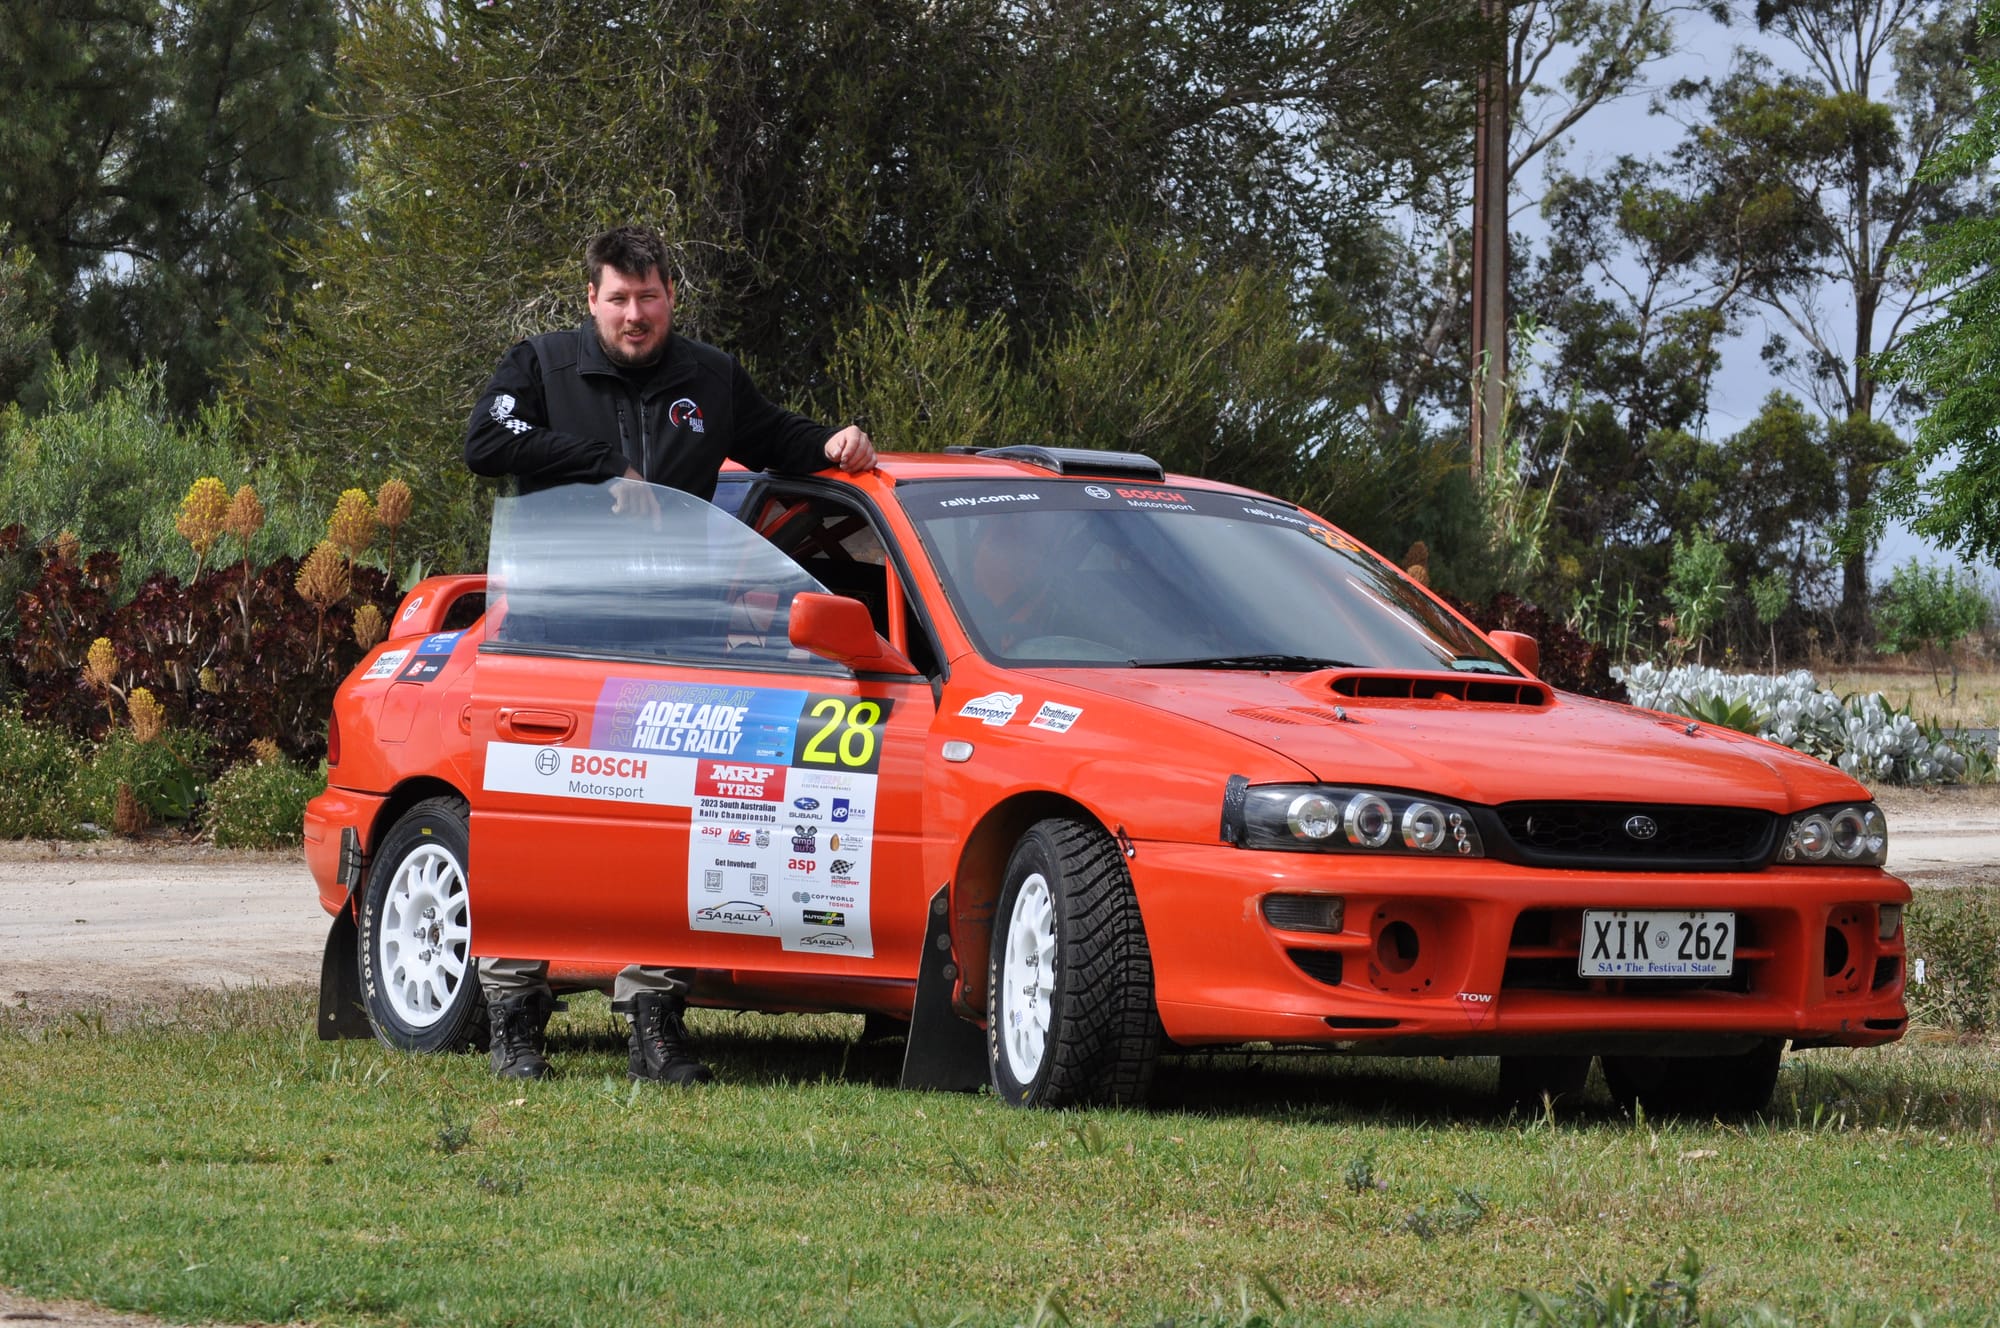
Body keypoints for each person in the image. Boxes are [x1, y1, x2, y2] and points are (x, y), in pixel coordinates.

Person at [464, 224, 875, 1084]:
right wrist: (602, 466)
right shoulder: (539, 366)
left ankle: (653, 1018)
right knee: (536, 827)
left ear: (670, 298)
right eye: (618, 298)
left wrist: (832, 445)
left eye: (648, 297)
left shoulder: (710, 378)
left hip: (670, 649)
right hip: (554, 641)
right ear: (591, 300)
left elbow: (777, 437)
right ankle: (513, 1016)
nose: (635, 314)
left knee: (668, 833)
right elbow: (486, 444)